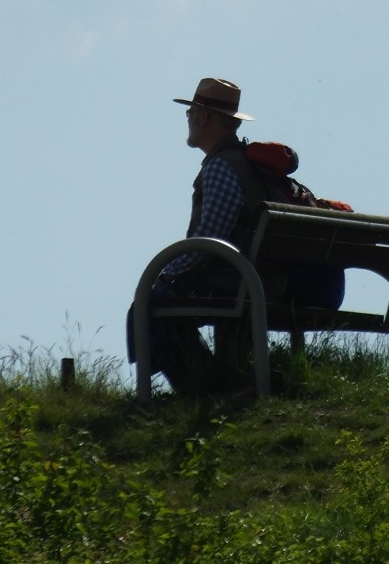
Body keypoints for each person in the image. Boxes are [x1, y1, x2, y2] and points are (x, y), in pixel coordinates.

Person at [127, 77, 345, 395]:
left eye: (190, 112)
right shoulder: (258, 167)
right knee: (208, 289)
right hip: (305, 284)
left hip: (259, 283)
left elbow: (208, 242)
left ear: (202, 116)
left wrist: (165, 276)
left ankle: (205, 390)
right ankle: (226, 379)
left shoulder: (221, 168)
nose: (187, 119)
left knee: (150, 302)